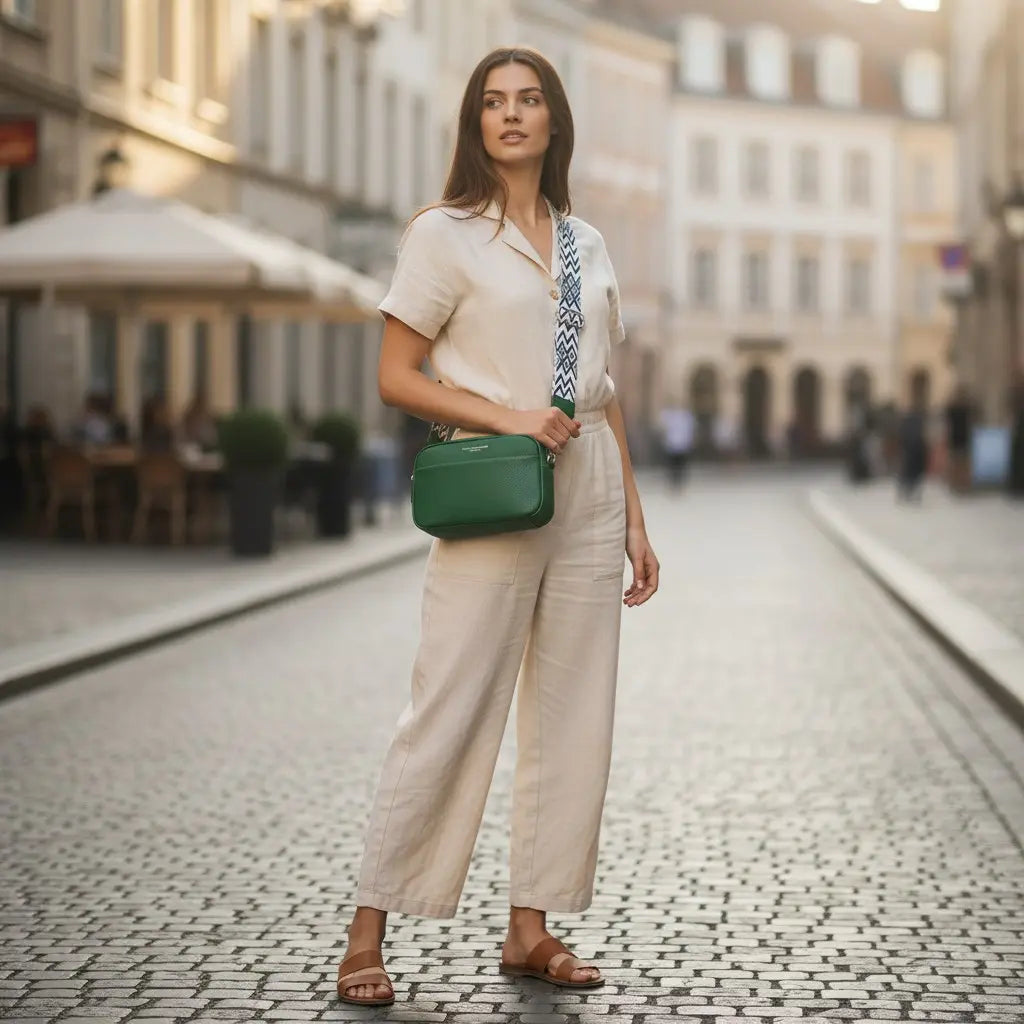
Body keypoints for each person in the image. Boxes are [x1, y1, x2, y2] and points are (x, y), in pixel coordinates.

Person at [336, 47, 661, 1007]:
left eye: (528, 101)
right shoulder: (443, 235)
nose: (510, 116)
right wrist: (508, 415)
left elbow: (604, 396)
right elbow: (398, 377)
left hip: (591, 491)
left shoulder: (587, 243)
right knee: (447, 710)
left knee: (573, 723)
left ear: (555, 120)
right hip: (496, 484)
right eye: (492, 102)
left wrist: (637, 519)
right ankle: (368, 930)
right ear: (476, 124)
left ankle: (532, 928)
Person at [944, 384, 974, 494]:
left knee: (961, 462)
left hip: (962, 437)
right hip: (957, 437)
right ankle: (956, 484)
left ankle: (961, 484)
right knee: (957, 462)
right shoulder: (956, 407)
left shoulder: (964, 407)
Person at [897, 399, 928, 502]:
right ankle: (910, 492)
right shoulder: (919, 420)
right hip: (915, 449)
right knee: (913, 472)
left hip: (911, 450)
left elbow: (902, 435)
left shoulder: (907, 420)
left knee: (909, 472)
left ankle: (908, 492)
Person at [658, 402, 694, 489]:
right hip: (672, 445)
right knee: (672, 465)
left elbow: (689, 430)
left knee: (681, 466)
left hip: (682, 445)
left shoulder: (686, 416)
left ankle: (679, 483)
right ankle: (673, 483)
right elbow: (663, 427)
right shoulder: (669, 415)